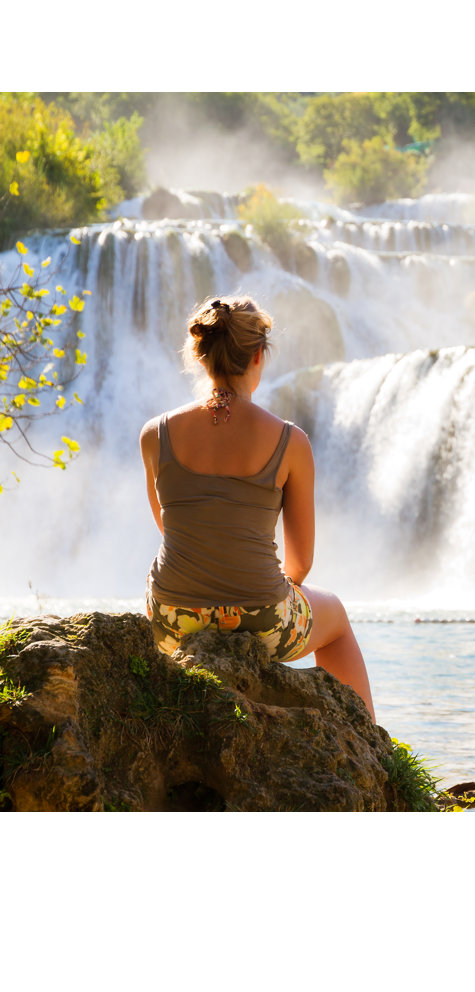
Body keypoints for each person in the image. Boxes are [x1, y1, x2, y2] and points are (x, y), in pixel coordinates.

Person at [139, 295, 376, 723]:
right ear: (258, 357)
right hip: (262, 620)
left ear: (200, 356)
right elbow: (300, 563)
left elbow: (171, 530)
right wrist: (256, 588)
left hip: (172, 618)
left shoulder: (154, 434)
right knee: (336, 615)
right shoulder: (290, 441)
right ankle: (374, 751)